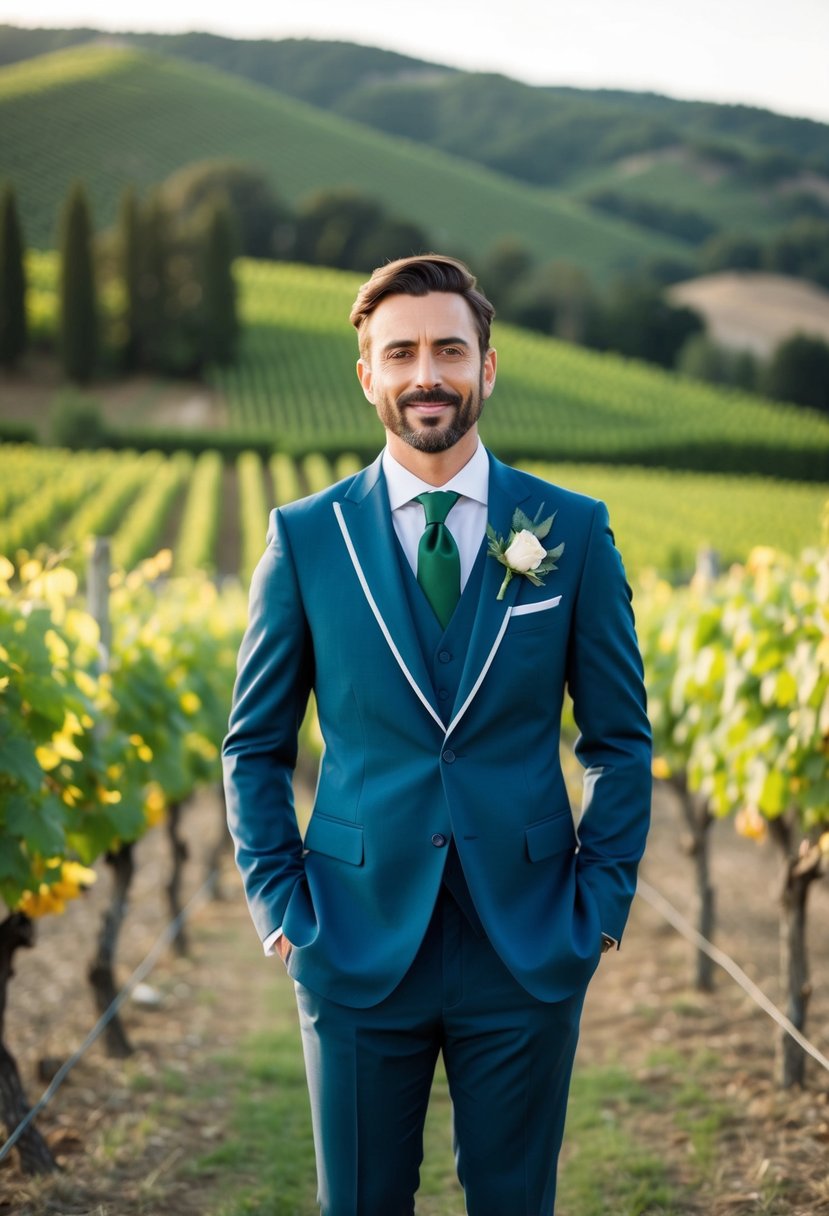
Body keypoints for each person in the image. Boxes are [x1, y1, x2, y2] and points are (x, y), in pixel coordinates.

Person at [222, 253, 652, 1216]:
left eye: (449, 350)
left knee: (514, 1202)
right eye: (401, 352)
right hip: (351, 930)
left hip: (530, 936)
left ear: (486, 368)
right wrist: (284, 911)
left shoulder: (572, 534)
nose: (427, 375)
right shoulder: (305, 538)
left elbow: (619, 741)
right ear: (367, 373)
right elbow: (253, 746)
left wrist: (600, 902)